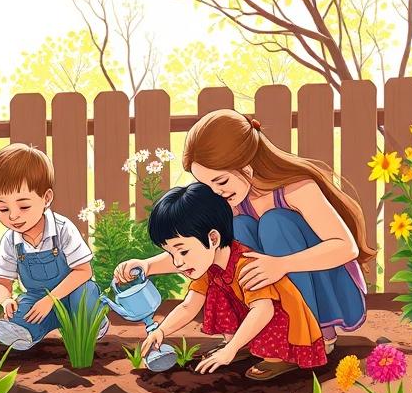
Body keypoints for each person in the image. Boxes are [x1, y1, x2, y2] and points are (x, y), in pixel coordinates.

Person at [116, 109, 369, 370]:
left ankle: (308, 338)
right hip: (274, 287)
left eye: (221, 180)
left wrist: (281, 264)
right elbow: (198, 250)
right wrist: (147, 266)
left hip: (327, 289)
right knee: (237, 228)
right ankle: (255, 338)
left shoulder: (297, 189)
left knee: (274, 223)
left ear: (246, 164)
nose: (217, 192)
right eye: (207, 185)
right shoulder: (234, 203)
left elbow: (344, 247)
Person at [140, 183, 326, 380]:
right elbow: (189, 306)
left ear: (213, 238)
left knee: (252, 306)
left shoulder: (246, 265)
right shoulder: (207, 265)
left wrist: (230, 351)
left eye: (183, 251)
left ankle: (276, 358)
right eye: (171, 253)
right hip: (251, 312)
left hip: (283, 322)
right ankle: (240, 344)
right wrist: (161, 331)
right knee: (217, 294)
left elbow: (264, 311)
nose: (178, 262)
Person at [0, 143, 108, 351]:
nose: (13, 216)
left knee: (86, 293)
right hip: (37, 299)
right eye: (3, 208)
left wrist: (52, 299)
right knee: (18, 316)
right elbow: (2, 282)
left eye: (23, 206)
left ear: (46, 198)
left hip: (71, 295)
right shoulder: (10, 241)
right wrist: (6, 300)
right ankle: (36, 328)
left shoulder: (62, 229)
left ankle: (89, 322)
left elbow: (83, 271)